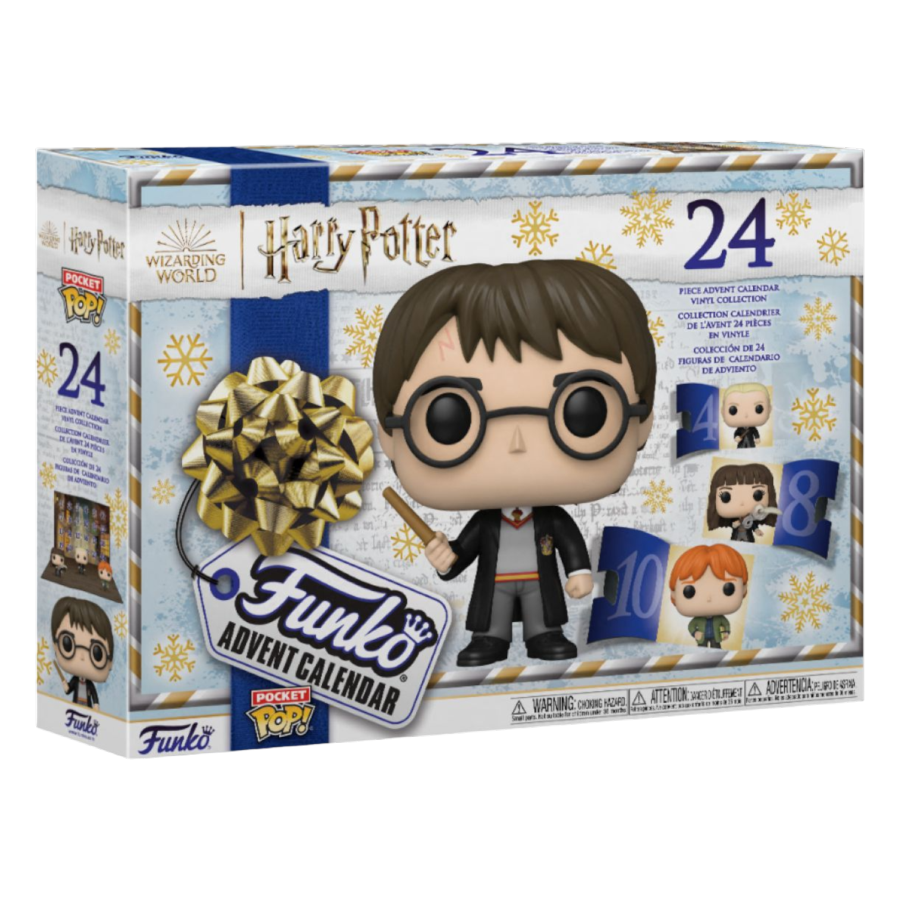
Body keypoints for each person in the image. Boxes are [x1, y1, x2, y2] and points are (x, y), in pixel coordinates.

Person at [373, 260, 657, 667]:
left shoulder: (552, 519)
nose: (518, 443)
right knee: (493, 620)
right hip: (497, 586)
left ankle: (544, 635)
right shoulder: (486, 523)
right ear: (389, 435)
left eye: (583, 411)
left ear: (642, 422)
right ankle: (490, 640)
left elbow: (569, 544)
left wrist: (578, 571)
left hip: (540, 584)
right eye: (449, 419)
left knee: (543, 619)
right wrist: (446, 559)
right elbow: (462, 554)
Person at [670, 544, 749, 649]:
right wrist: (695, 633)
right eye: (689, 591)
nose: (709, 598)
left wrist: (726, 632)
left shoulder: (720, 618)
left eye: (728, 589)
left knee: (716, 649)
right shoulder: (697, 620)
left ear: (743, 588)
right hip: (701, 639)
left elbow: (726, 624)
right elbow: (691, 626)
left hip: (716, 638)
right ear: (674, 593)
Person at [51, 596, 115, 711]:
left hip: (87, 709)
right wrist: (65, 685)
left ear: (110, 662)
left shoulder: (89, 684)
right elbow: (68, 690)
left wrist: (96, 704)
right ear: (55, 645)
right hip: (75, 707)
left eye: (97, 653)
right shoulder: (75, 681)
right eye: (67, 644)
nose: (81, 656)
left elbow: (94, 695)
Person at [706, 463, 779, 543]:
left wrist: (757, 530)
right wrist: (735, 524)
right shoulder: (734, 518)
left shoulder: (751, 518)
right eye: (726, 496)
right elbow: (732, 525)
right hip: (736, 536)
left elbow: (753, 526)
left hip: (748, 537)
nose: (742, 503)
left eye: (758, 495)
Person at [722, 383, 771, 449]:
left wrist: (757, 438)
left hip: (750, 444)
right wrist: (736, 437)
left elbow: (755, 432)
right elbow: (736, 433)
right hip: (741, 445)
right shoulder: (739, 429)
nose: (746, 415)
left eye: (758, 409)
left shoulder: (752, 428)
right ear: (722, 411)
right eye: (733, 410)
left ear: (769, 409)